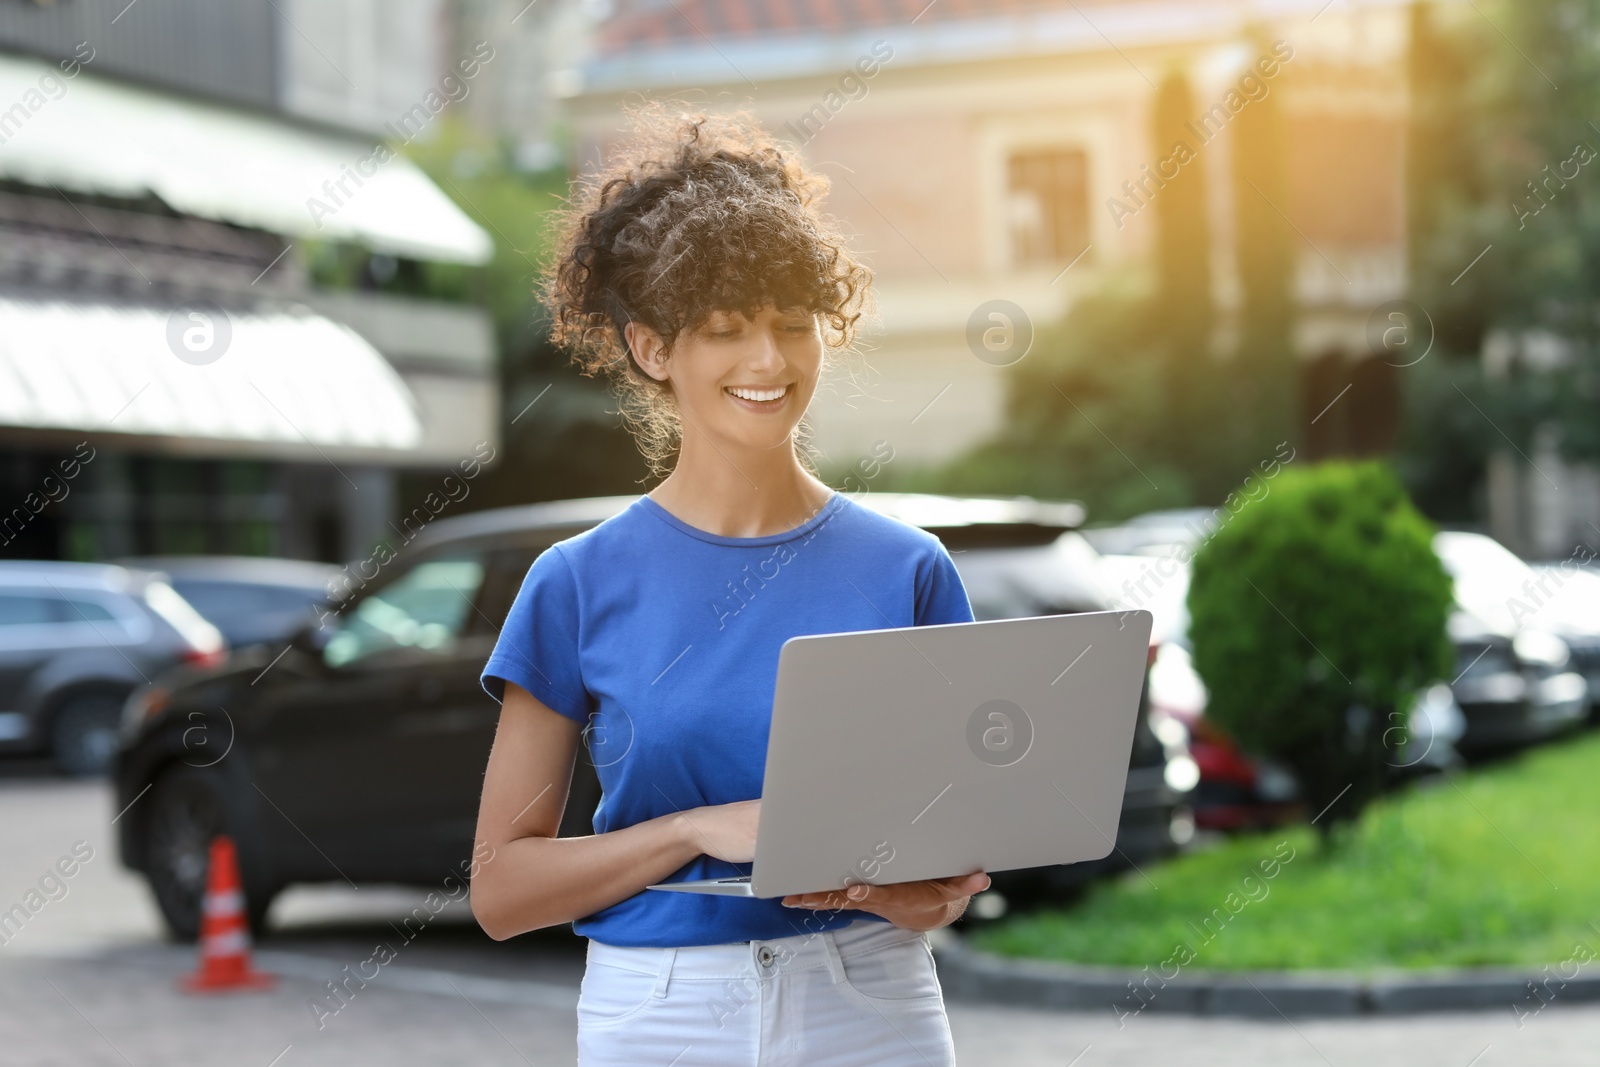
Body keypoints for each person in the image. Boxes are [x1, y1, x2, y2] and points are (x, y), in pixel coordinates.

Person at [470, 106, 988, 1067]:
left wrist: (880, 886)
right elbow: (502, 890)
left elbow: (943, 891)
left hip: (869, 1005)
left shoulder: (908, 570)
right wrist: (694, 830)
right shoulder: (574, 584)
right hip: (660, 1015)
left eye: (793, 324)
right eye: (725, 329)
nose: (769, 361)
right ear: (651, 348)